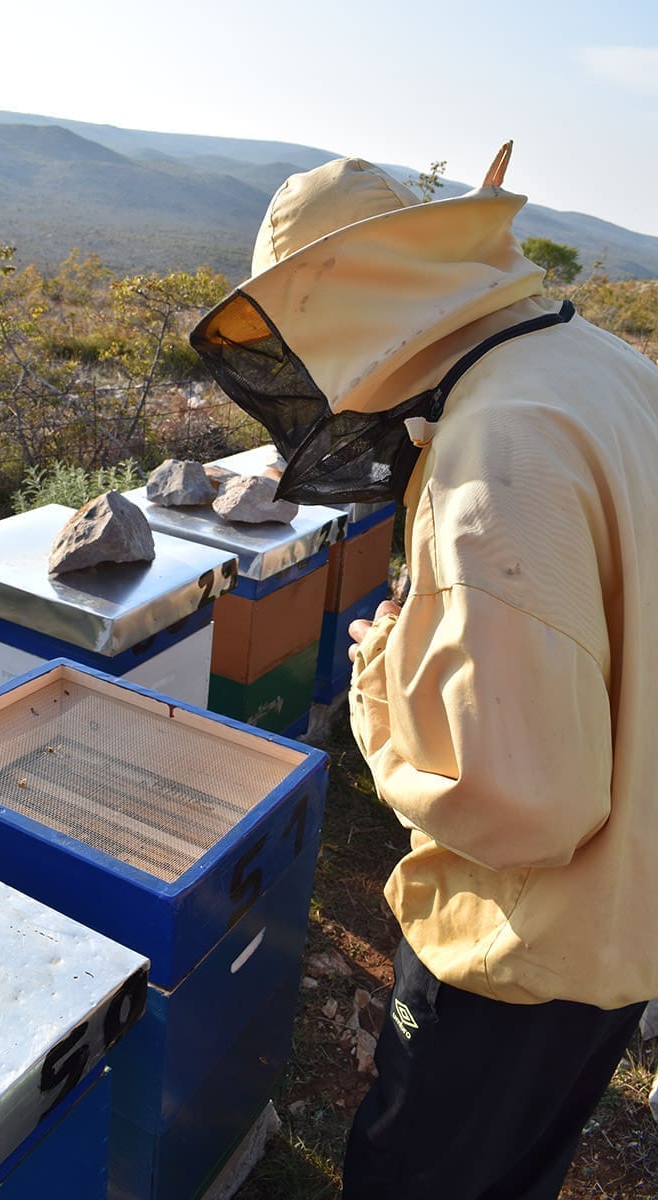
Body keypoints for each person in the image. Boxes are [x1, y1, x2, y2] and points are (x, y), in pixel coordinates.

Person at [189, 143, 658, 1199]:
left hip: (524, 942)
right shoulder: (601, 364)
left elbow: (521, 803)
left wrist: (380, 689)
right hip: (629, 901)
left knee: (417, 1170)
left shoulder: (493, 449)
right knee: (519, 1164)